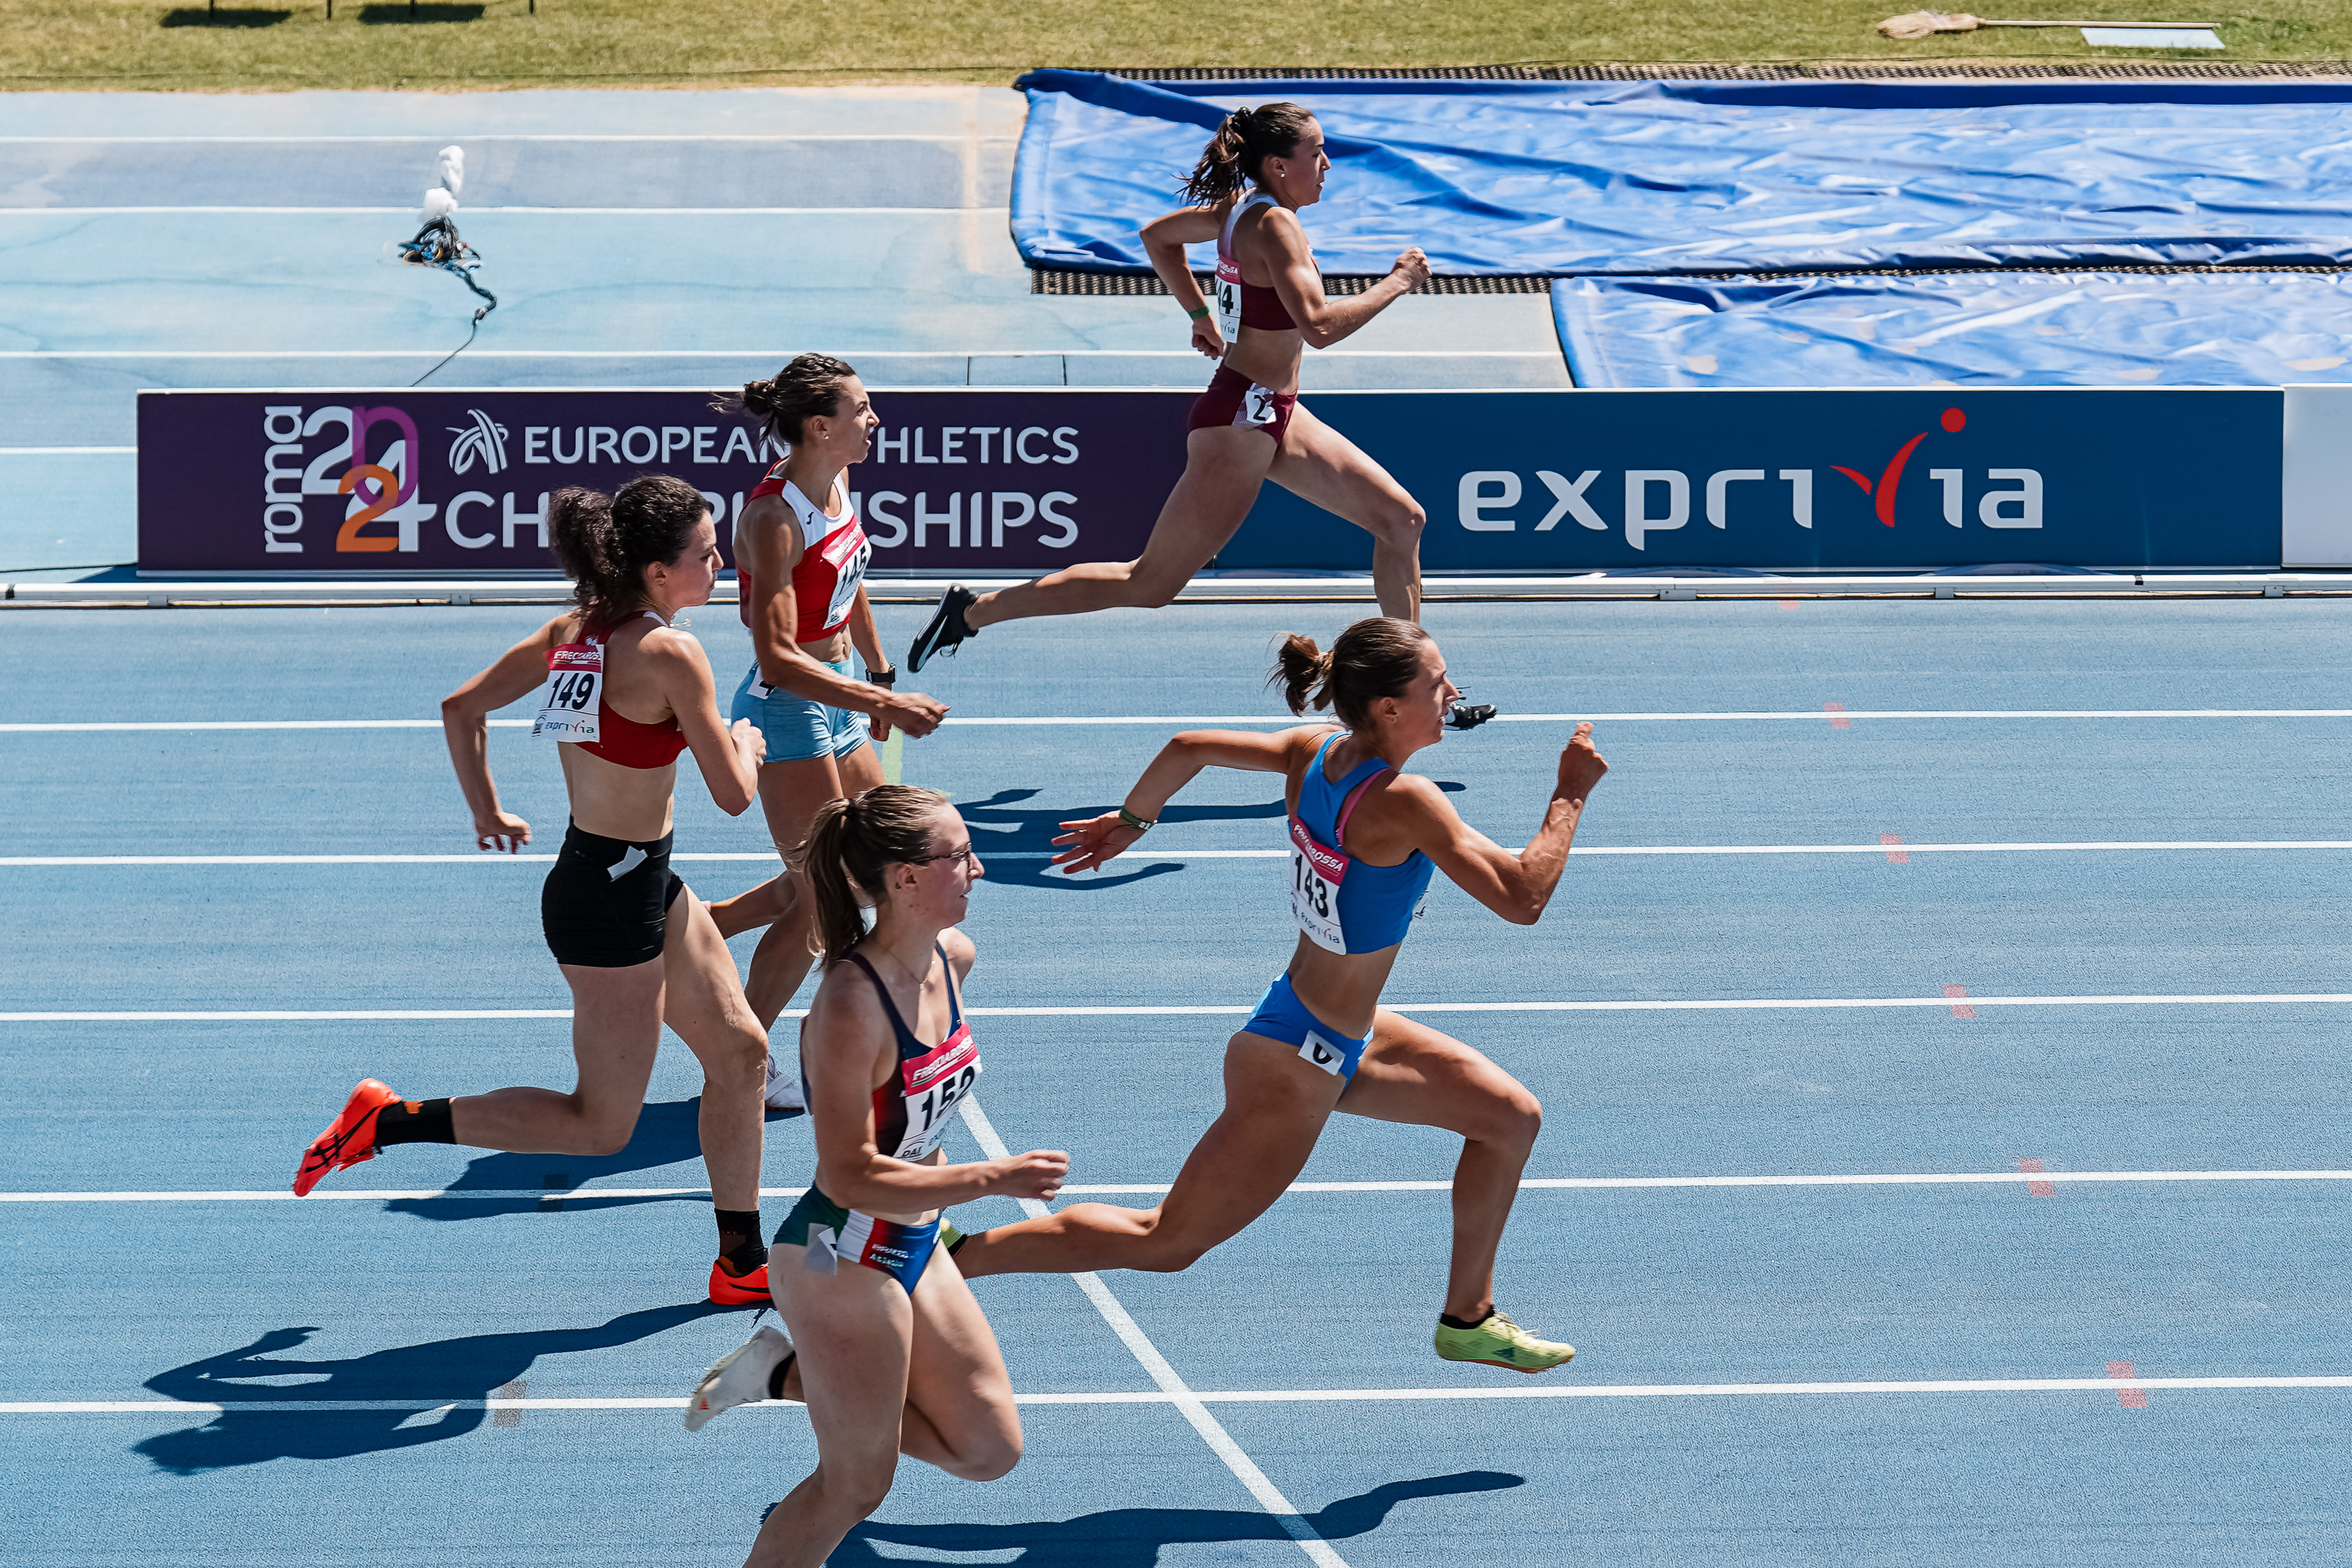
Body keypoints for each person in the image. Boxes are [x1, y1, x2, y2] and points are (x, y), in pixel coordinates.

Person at [950, 617, 1605, 1370]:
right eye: (1437, 682)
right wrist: (1569, 794)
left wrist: (1133, 820)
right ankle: (952, 1256)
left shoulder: (1315, 753)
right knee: (1165, 1242)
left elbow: (1188, 747)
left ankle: (1468, 1318)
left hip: (1334, 1030)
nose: (1453, 693)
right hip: (1296, 1060)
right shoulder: (1406, 800)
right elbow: (1522, 898)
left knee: (1509, 1119)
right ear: (1389, 707)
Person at [292, 473, 781, 1308]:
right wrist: (747, 740)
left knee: (742, 1058)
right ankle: (388, 1119)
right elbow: (735, 794)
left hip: (632, 876)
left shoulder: (572, 632)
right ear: (658, 572)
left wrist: (488, 809)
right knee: (600, 1126)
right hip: (610, 904)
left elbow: (461, 708)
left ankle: (741, 1261)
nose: (720, 567)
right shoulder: (671, 653)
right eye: (707, 554)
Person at [903, 105, 1494, 728]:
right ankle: (973, 612)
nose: (1328, 164)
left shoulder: (1239, 208)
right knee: (1149, 583)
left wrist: (1199, 316)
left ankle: (1420, 685)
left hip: (1272, 408)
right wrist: (1398, 281)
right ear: (1277, 165)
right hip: (1239, 421)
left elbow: (1157, 238)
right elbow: (1318, 327)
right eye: (1316, 153)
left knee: (1401, 520)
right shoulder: (1274, 225)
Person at [680, 785, 1068, 1568]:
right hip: (839, 1254)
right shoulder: (850, 1007)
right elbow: (852, 1175)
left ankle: (781, 1370)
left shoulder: (953, 959)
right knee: (855, 1486)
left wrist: (948, 1190)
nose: (979, 868)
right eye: (961, 854)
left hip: (913, 1236)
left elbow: (918, 1121)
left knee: (988, 1447)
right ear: (905, 877)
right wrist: (991, 1178)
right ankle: (793, 1372)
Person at [705, 356, 951, 1079]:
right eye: (862, 408)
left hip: (840, 692)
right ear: (820, 426)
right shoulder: (773, 519)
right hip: (787, 710)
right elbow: (778, 658)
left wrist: (877, 672)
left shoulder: (835, 484)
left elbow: (849, 582)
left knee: (874, 864)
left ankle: (706, 926)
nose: (875, 419)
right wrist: (884, 704)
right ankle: (740, 1064)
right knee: (821, 905)